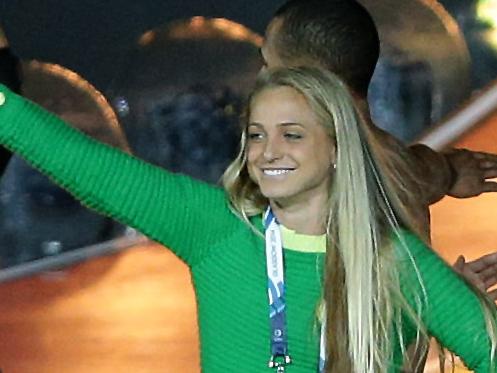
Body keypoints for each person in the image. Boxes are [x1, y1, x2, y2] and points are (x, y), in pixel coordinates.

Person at [0, 66, 495, 372]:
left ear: (339, 148)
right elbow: (84, 165)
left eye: (292, 135)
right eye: (256, 135)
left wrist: (419, 321)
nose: (267, 152)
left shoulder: (398, 264)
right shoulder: (216, 229)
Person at [263, 0, 497, 299]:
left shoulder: (290, 173)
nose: (261, 80)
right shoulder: (402, 168)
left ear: (304, 76)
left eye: (268, 66)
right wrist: (447, 171)